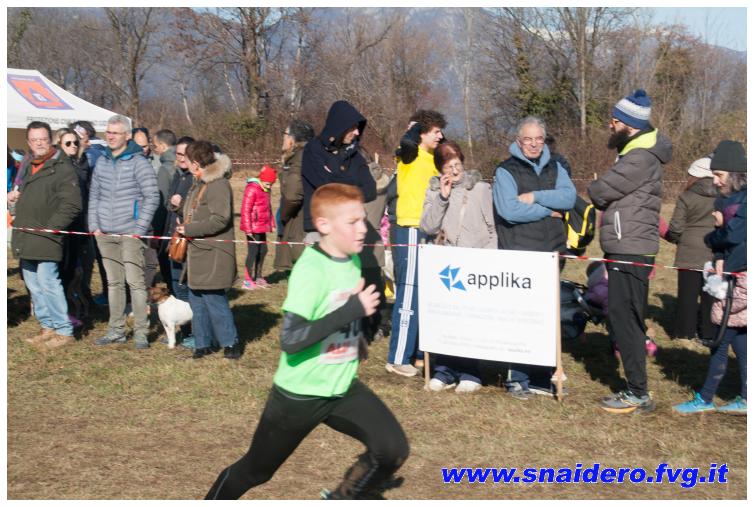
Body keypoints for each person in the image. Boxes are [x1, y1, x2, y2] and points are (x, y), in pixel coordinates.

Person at [205, 183, 409, 500]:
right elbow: (291, 339)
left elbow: (336, 311)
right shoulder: (310, 269)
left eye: (363, 220)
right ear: (324, 225)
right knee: (256, 471)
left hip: (341, 387)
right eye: (352, 222)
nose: (363, 229)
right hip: (299, 396)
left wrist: (356, 339)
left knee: (391, 448)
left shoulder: (353, 260)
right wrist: (351, 311)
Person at [588, 89, 672, 414]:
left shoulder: (639, 158)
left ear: (629, 124)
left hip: (630, 249)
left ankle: (637, 392)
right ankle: (637, 389)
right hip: (627, 247)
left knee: (626, 320)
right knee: (626, 317)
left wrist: (597, 190)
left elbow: (601, 190)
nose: (610, 126)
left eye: (614, 121)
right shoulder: (634, 153)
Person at [493, 116, 576, 399]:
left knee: (547, 316)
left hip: (552, 252)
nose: (533, 144)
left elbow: (568, 199)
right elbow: (509, 210)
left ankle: (542, 376)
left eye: (538, 139)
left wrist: (536, 196)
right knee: (520, 317)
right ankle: (517, 377)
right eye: (528, 139)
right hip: (520, 252)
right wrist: (547, 210)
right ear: (518, 141)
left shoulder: (556, 167)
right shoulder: (506, 170)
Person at [673, 140, 747, 415]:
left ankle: (705, 398)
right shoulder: (725, 200)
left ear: (735, 173)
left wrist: (716, 232)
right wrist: (718, 252)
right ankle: (745, 396)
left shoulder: (746, 200)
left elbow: (736, 236)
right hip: (730, 276)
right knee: (739, 337)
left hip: (740, 279)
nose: (715, 181)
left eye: (719, 175)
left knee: (720, 338)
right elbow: (723, 242)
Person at [420, 141, 497, 393]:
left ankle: (470, 372)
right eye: (448, 166)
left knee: (470, 320)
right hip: (446, 264)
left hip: (475, 263)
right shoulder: (433, 191)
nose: (454, 171)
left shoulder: (480, 188)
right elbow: (428, 227)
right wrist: (442, 198)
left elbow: (491, 228)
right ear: (440, 169)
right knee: (446, 318)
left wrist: (489, 261)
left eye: (457, 164)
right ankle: (444, 370)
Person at [89, 115, 160, 349]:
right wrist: (94, 225)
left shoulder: (139, 162)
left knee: (135, 284)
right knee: (114, 283)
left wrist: (138, 229)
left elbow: (152, 196)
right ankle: (116, 331)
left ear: (127, 136)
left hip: (130, 233)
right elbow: (94, 195)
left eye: (115, 133)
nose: (110, 136)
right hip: (105, 234)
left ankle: (140, 332)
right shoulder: (102, 161)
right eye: (108, 132)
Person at [10, 121, 82, 349]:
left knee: (49, 282)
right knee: (33, 284)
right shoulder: (27, 165)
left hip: (47, 235)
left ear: (50, 140)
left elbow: (72, 204)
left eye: (43, 139)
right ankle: (47, 326)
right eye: (34, 140)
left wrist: (52, 227)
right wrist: (15, 197)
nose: (39, 143)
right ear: (28, 142)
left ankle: (64, 330)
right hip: (26, 234)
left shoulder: (62, 167)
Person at [387, 110, 446, 378]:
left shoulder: (434, 160)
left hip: (429, 231)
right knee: (409, 292)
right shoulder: (409, 154)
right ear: (421, 133)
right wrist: (416, 128)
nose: (440, 136)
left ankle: (419, 353)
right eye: (435, 131)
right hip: (409, 227)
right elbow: (407, 141)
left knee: (425, 293)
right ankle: (398, 357)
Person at [175, 141, 241, 360]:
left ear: (196, 162)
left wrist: (190, 229)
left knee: (214, 299)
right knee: (197, 300)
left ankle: (230, 342)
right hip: (197, 253)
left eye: (187, 159)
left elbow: (220, 219)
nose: (183, 162)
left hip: (213, 254)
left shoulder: (218, 184)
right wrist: (179, 208)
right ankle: (202, 343)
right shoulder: (199, 182)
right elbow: (197, 211)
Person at [301, 100, 376, 241]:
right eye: (353, 127)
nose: (357, 132)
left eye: (358, 127)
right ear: (340, 125)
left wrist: (337, 180)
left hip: (348, 232)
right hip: (320, 231)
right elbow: (325, 186)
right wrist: (352, 183)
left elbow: (371, 190)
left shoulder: (355, 154)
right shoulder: (313, 149)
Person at [663, 156, 717, 341]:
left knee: (687, 296)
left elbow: (676, 228)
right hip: (715, 250)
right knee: (712, 295)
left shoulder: (686, 196)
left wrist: (678, 240)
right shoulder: (725, 197)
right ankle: (709, 333)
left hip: (689, 251)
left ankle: (684, 334)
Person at [164, 136, 196, 348]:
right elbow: (168, 203)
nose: (181, 158)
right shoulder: (178, 175)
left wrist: (181, 203)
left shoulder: (196, 179)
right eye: (178, 154)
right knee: (176, 286)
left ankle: (195, 331)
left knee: (187, 287)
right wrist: (174, 204)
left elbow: (195, 208)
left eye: (185, 154)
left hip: (189, 242)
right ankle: (185, 331)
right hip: (174, 240)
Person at [274, 119, 315, 271]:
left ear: (292, 139)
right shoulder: (304, 156)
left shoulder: (300, 158)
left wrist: (283, 215)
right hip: (301, 224)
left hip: (299, 225)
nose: (283, 138)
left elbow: (292, 195)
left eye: (285, 134)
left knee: (303, 273)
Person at [240, 165, 277, 289]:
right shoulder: (252, 189)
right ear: (262, 179)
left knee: (263, 251)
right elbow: (245, 209)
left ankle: (258, 277)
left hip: (262, 226)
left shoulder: (266, 190)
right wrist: (248, 229)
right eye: (268, 183)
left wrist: (272, 223)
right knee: (253, 252)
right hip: (252, 227)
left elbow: (268, 208)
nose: (269, 186)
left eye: (271, 184)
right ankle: (247, 280)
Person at [150, 129, 178, 292]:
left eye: (155, 146)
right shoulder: (184, 163)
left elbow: (161, 204)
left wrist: (156, 232)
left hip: (168, 226)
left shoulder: (165, 169)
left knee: (168, 267)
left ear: (162, 145)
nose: (155, 150)